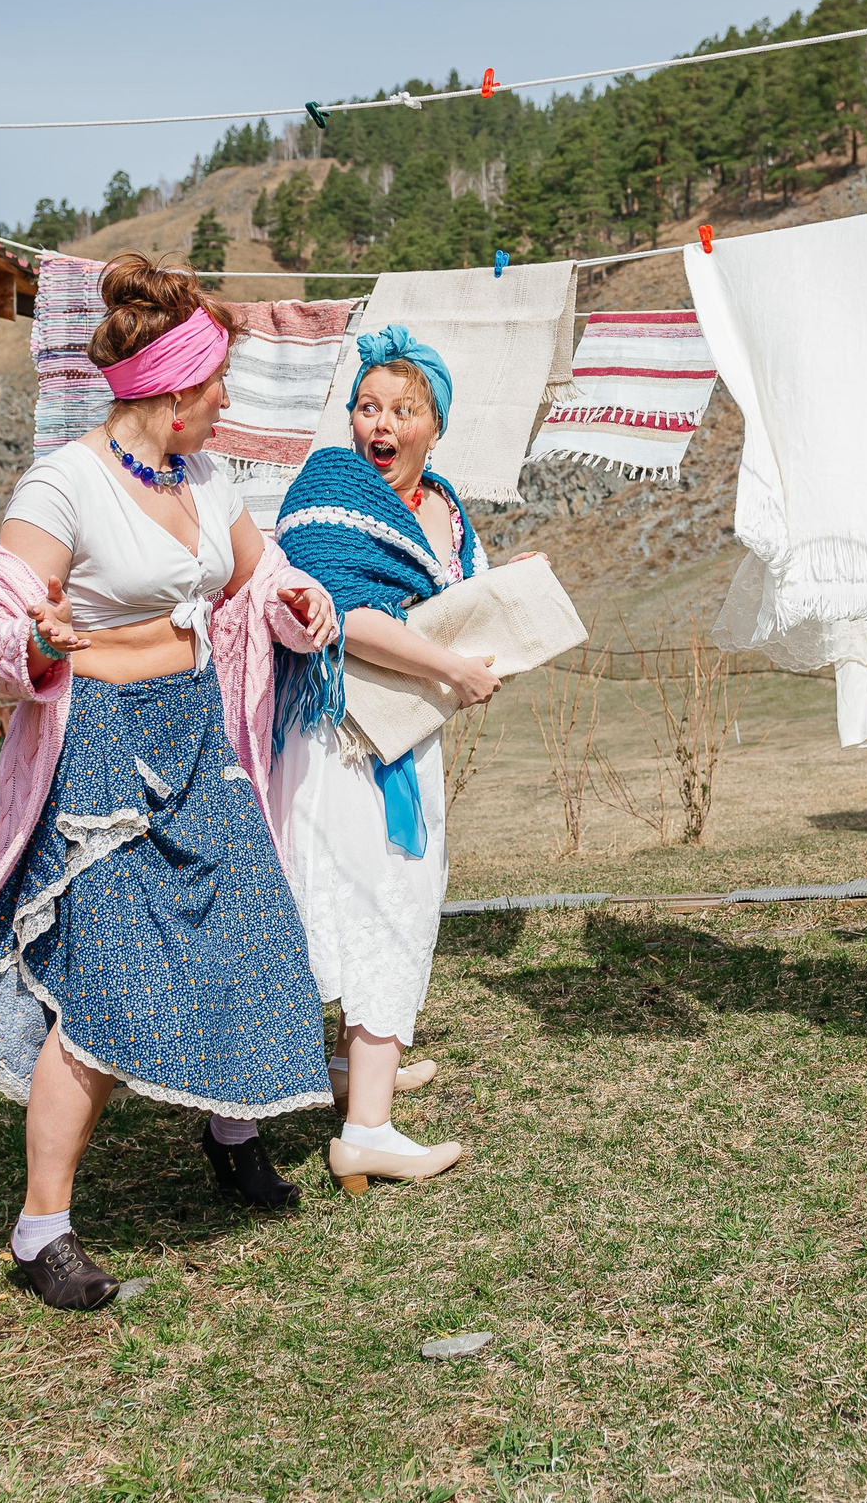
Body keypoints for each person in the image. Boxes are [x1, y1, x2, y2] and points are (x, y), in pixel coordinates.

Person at [0, 253, 341, 1311]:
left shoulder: (209, 483)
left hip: (200, 735)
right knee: (105, 989)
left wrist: (300, 606)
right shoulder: (64, 483)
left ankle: (231, 1127)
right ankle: (41, 1227)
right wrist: (31, 642)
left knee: (250, 933)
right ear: (170, 396)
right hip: (102, 757)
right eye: (216, 388)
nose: (226, 404)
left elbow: (267, 576)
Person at [269, 327, 502, 1195]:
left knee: (403, 884)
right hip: (340, 736)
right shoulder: (330, 485)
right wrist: (447, 666)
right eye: (369, 405)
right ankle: (365, 1129)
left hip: (408, 731)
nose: (381, 422)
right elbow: (340, 607)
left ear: (433, 425)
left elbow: (463, 603)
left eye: (403, 409)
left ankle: (351, 1067)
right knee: (370, 893)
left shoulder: (443, 503)